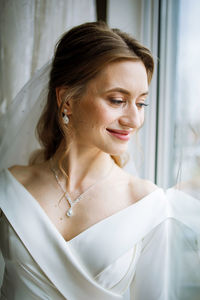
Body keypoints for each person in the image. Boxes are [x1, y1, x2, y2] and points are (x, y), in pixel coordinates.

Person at [0, 22, 200, 300]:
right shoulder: (10, 188)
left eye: (141, 103)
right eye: (117, 100)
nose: (134, 120)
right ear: (66, 99)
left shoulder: (148, 204)